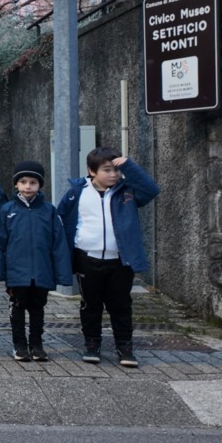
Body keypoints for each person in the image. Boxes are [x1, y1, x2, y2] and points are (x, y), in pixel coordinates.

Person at [57, 147, 160, 367]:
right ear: (91, 171)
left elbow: (151, 190)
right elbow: (61, 219)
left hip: (120, 260)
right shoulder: (77, 192)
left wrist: (129, 166)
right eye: (107, 170)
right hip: (87, 258)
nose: (113, 174)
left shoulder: (127, 192)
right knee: (90, 304)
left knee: (120, 305)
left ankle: (125, 347)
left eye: (116, 170)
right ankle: (91, 344)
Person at [0, 161, 73, 361]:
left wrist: (62, 273)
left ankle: (36, 344)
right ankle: (19, 345)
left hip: (42, 270)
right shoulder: (7, 210)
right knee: (17, 307)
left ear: (40, 185)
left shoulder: (48, 210)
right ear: (16, 184)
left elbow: (58, 243)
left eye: (33, 182)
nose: (28, 186)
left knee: (37, 308)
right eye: (23, 182)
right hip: (16, 271)